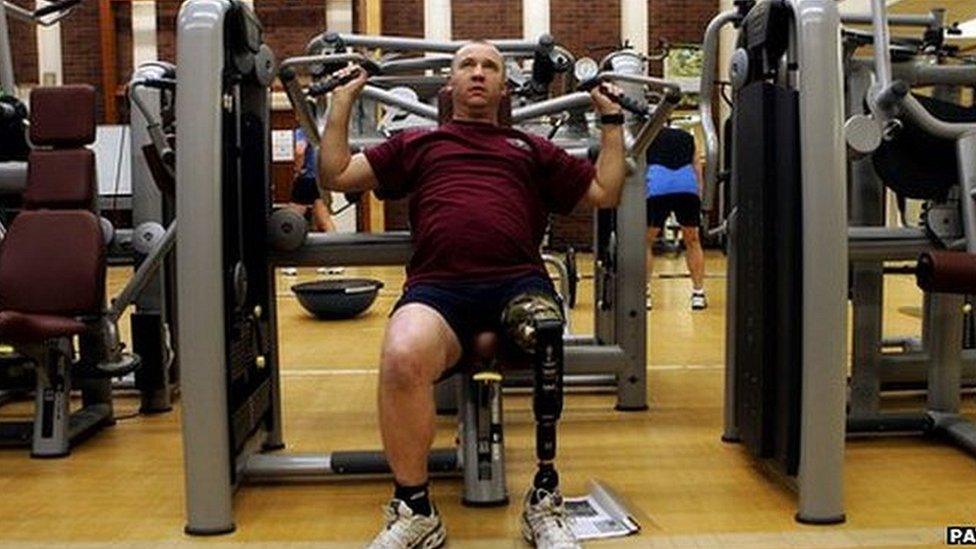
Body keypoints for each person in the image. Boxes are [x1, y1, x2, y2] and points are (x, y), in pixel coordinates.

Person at [319, 40, 626, 549]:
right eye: (468, 65)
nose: (479, 73)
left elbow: (605, 193)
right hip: (438, 292)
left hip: (518, 285)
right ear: (451, 85)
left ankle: (544, 500)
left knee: (548, 334)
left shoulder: (529, 148)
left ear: (504, 87)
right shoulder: (419, 143)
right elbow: (337, 174)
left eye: (490, 67)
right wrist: (343, 101)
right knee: (400, 354)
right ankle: (415, 509)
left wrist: (612, 124)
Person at [644, 124, 707, 310]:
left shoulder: (647, 135)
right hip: (687, 187)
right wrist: (700, 193)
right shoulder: (686, 136)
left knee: (646, 242)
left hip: (657, 187)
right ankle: (698, 293)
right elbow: (696, 165)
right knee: (693, 240)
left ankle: (645, 293)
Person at [288, 126, 336, 233]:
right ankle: (335, 243)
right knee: (323, 218)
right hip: (320, 178)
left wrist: (297, 170)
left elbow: (300, 150)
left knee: (291, 216)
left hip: (307, 178)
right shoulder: (321, 130)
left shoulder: (303, 130)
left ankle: (284, 242)